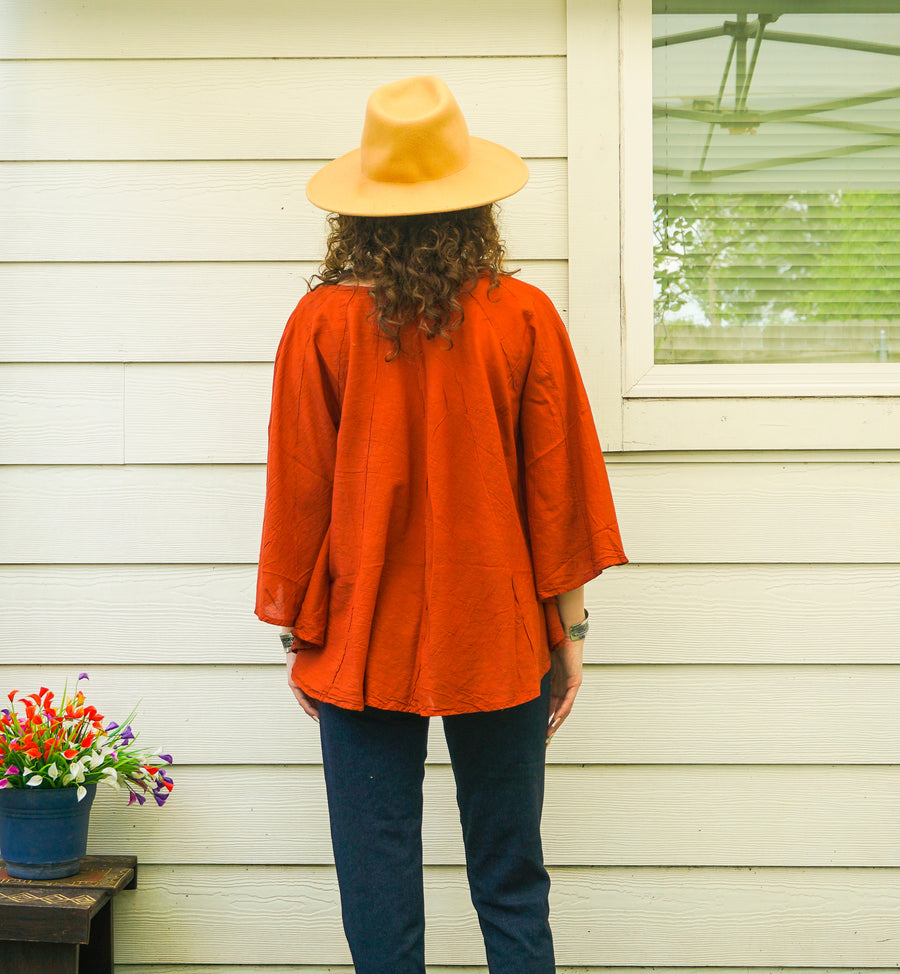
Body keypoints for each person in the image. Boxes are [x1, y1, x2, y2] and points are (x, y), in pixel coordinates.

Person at [255, 75, 627, 974]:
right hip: (497, 630)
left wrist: (304, 637)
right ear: (477, 207)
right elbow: (558, 491)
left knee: (375, 883)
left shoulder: (319, 323)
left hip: (359, 630)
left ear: (363, 210)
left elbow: (297, 493)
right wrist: (569, 630)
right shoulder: (525, 317)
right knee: (511, 877)